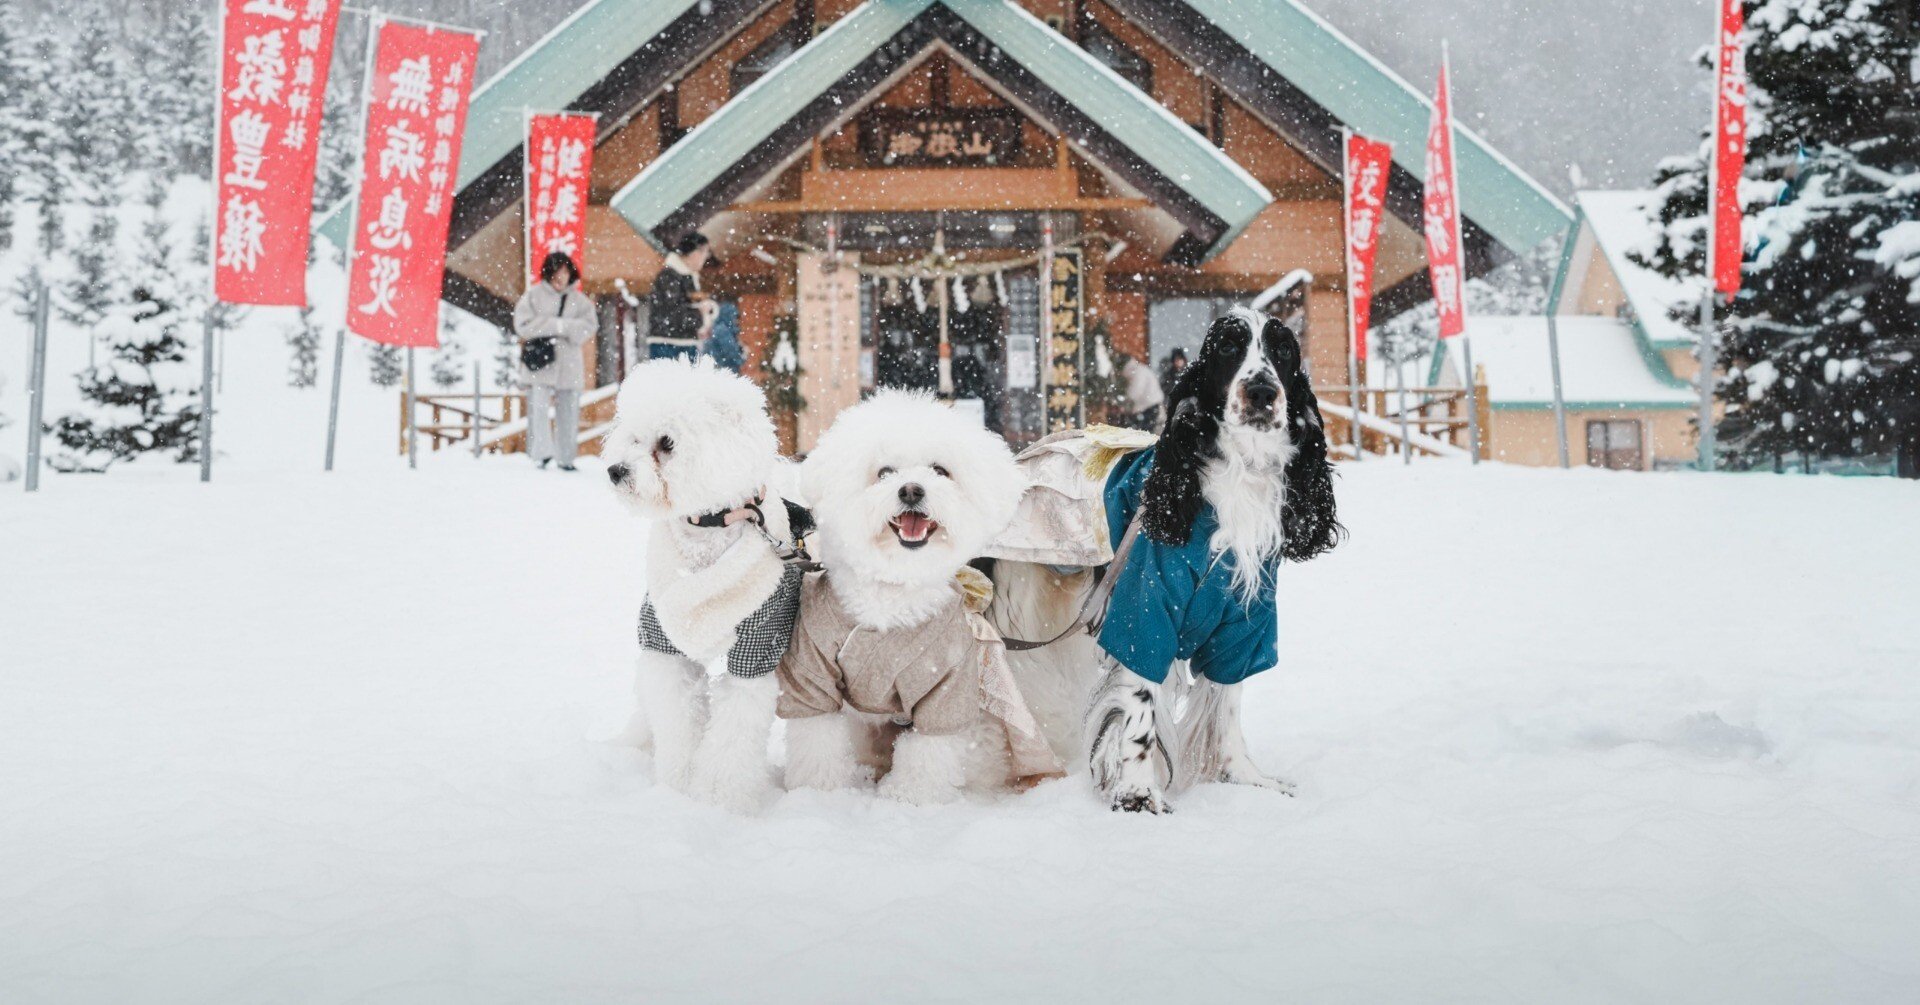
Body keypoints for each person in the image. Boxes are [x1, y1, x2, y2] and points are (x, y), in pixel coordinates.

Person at [514, 251, 597, 471]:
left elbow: (589, 325)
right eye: (556, 273)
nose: (560, 278)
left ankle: (566, 458)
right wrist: (555, 325)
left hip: (569, 362)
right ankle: (541, 454)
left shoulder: (580, 301)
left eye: (565, 273)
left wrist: (566, 328)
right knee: (538, 409)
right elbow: (522, 324)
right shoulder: (533, 296)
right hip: (541, 361)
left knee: (569, 410)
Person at [649, 232, 716, 360]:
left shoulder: (687, 276)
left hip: (683, 343)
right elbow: (672, 314)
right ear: (695, 253)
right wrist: (700, 315)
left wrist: (706, 311)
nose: (706, 258)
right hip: (669, 345)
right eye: (705, 252)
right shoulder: (669, 277)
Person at [1119, 352, 1165, 431]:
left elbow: (1135, 393)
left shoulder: (1138, 372)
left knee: (1144, 432)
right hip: (1149, 405)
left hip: (1149, 406)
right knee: (1145, 431)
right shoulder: (1138, 369)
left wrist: (1125, 406)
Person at [703, 299, 746, 373]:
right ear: (729, 316)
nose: (737, 320)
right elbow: (731, 351)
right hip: (723, 370)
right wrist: (741, 357)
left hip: (720, 369)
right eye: (735, 317)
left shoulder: (721, 329)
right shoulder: (722, 330)